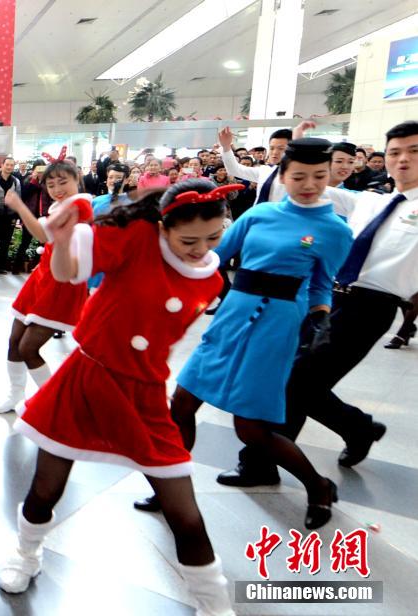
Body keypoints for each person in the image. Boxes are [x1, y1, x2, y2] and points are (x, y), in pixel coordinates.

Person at [0, 179, 234, 616]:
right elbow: (68, 272)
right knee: (45, 487)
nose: (200, 249)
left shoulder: (212, 278)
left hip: (144, 394)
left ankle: (215, 604)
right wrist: (63, 241)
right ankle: (26, 554)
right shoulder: (137, 238)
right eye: (188, 241)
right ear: (162, 227)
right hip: (85, 378)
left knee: (184, 510)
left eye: (213, 237)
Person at [137, 139, 352, 531]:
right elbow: (213, 256)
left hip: (278, 326)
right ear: (282, 176)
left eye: (318, 176)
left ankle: (318, 485)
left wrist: (319, 322)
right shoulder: (259, 214)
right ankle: (171, 488)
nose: (309, 185)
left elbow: (322, 285)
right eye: (299, 176)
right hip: (233, 313)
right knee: (181, 404)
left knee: (250, 428)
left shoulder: (335, 229)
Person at [217, 121, 418, 480]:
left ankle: (263, 463)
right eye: (395, 152)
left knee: (297, 382)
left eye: (414, 152)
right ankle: (356, 428)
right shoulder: (370, 200)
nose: (403, 159)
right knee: (294, 379)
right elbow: (308, 182)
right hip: (324, 296)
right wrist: (298, 145)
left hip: (370, 307)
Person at [0, 160, 91, 414]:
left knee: (28, 347)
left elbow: (43, 234)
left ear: (77, 179)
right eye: (51, 184)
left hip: (61, 284)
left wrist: (18, 206)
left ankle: (53, 401)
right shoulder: (61, 206)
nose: (57, 189)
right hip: (42, 279)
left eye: (63, 182)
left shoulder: (79, 206)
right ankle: (15, 394)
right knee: (14, 340)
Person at [220, 124, 357, 217]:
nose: (275, 152)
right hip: (260, 221)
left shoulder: (306, 180)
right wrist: (226, 147)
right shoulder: (265, 171)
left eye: (281, 149)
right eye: (272, 148)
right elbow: (235, 170)